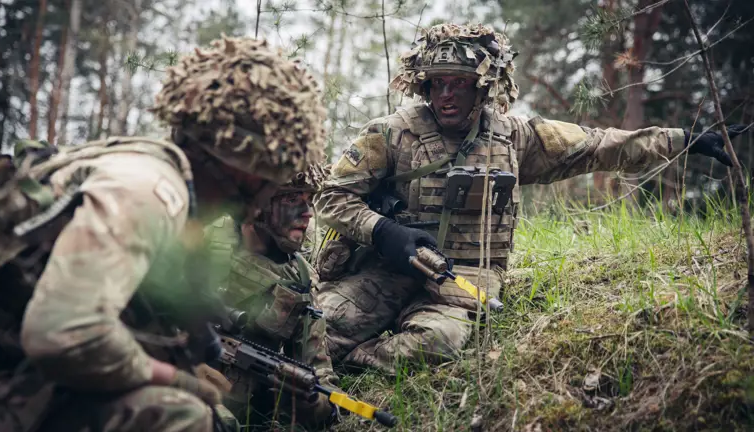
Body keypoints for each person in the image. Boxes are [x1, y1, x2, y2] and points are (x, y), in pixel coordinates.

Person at [312, 23, 746, 375]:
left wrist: (681, 139)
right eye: (437, 84)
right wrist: (383, 230)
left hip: (463, 278)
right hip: (387, 268)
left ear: (482, 87)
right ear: (424, 87)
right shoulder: (390, 133)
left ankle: (359, 361)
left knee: (436, 346)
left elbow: (598, 145)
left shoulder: (515, 136)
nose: (445, 94)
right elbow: (331, 198)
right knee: (315, 330)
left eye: (458, 84)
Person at [0, 36, 325, 432]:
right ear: (249, 165)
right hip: (3, 372)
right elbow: (62, 334)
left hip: (7, 351)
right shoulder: (149, 191)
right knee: (183, 415)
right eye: (275, 177)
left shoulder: (144, 164)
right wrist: (175, 379)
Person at [204, 163, 338, 430]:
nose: (307, 213)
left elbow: (318, 371)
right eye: (291, 199)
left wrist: (312, 401)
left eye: (309, 200)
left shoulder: (299, 278)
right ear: (257, 203)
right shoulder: (203, 240)